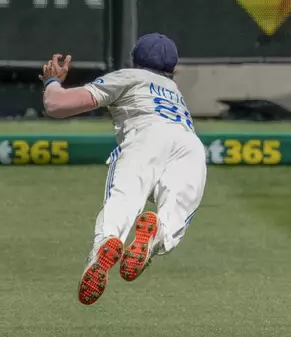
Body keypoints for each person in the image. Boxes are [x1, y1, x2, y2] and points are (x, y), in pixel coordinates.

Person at [39, 33, 206, 306]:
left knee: (124, 202)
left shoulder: (129, 76)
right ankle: (154, 235)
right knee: (174, 216)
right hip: (190, 146)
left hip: (146, 136)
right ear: (173, 69)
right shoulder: (175, 93)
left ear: (134, 60)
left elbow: (57, 105)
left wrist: (52, 81)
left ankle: (106, 245)